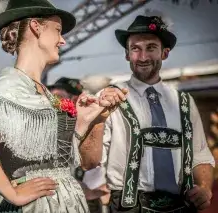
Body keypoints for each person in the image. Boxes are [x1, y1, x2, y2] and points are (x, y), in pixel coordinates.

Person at [0, 0, 117, 212]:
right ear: (36, 27)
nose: (62, 40)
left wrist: (87, 120)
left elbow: (66, 160)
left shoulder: (39, 92)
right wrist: (13, 194)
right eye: (58, 30)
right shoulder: (7, 89)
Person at [79, 15, 215, 212]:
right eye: (135, 48)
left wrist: (204, 188)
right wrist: (98, 120)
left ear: (165, 53)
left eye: (151, 47)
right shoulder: (109, 98)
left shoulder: (184, 102)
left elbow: (201, 156)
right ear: (127, 54)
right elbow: (89, 163)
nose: (142, 57)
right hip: (129, 207)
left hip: (181, 206)